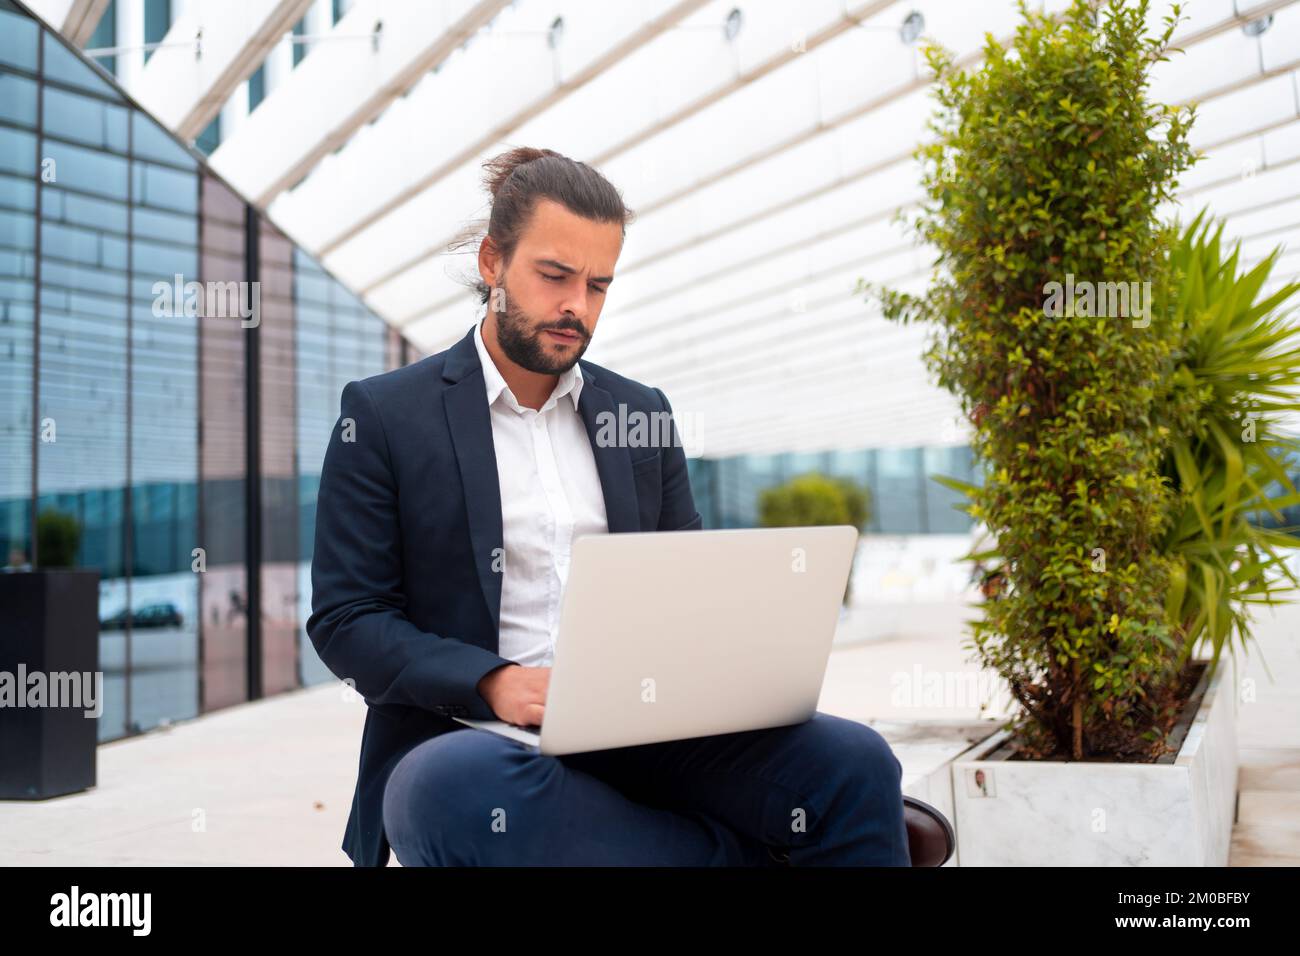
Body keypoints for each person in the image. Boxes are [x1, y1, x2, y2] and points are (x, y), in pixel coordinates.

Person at [306, 146, 911, 866]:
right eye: (555, 276)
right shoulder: (384, 415)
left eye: (598, 286)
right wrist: (496, 682)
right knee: (449, 791)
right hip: (477, 738)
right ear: (492, 262)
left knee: (856, 762)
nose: (577, 308)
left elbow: (684, 581)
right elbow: (348, 620)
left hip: (650, 732)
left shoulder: (639, 413)